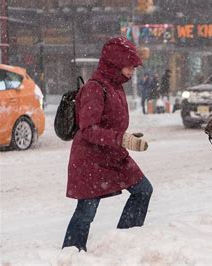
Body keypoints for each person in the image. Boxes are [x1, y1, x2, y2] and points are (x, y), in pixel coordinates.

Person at [62, 37, 153, 252]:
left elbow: (110, 122)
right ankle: (71, 253)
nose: (132, 70)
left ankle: (124, 239)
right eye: (129, 65)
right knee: (86, 211)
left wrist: (124, 136)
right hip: (90, 159)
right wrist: (121, 139)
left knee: (143, 190)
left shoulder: (117, 86)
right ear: (115, 63)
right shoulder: (95, 88)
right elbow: (88, 129)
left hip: (113, 155)